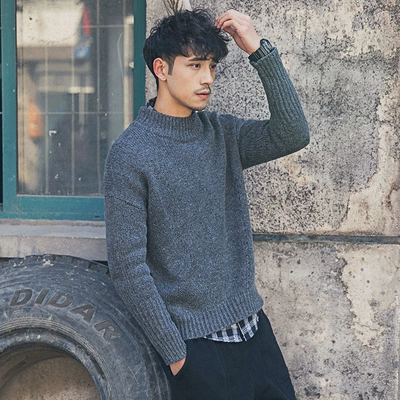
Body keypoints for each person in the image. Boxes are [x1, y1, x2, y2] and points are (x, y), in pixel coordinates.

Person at [104, 8, 309, 400]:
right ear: (161, 69)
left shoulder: (222, 133)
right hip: (199, 350)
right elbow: (128, 268)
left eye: (212, 66)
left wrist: (258, 50)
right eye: (195, 65)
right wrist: (177, 356)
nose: (207, 78)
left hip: (254, 332)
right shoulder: (130, 154)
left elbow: (292, 134)